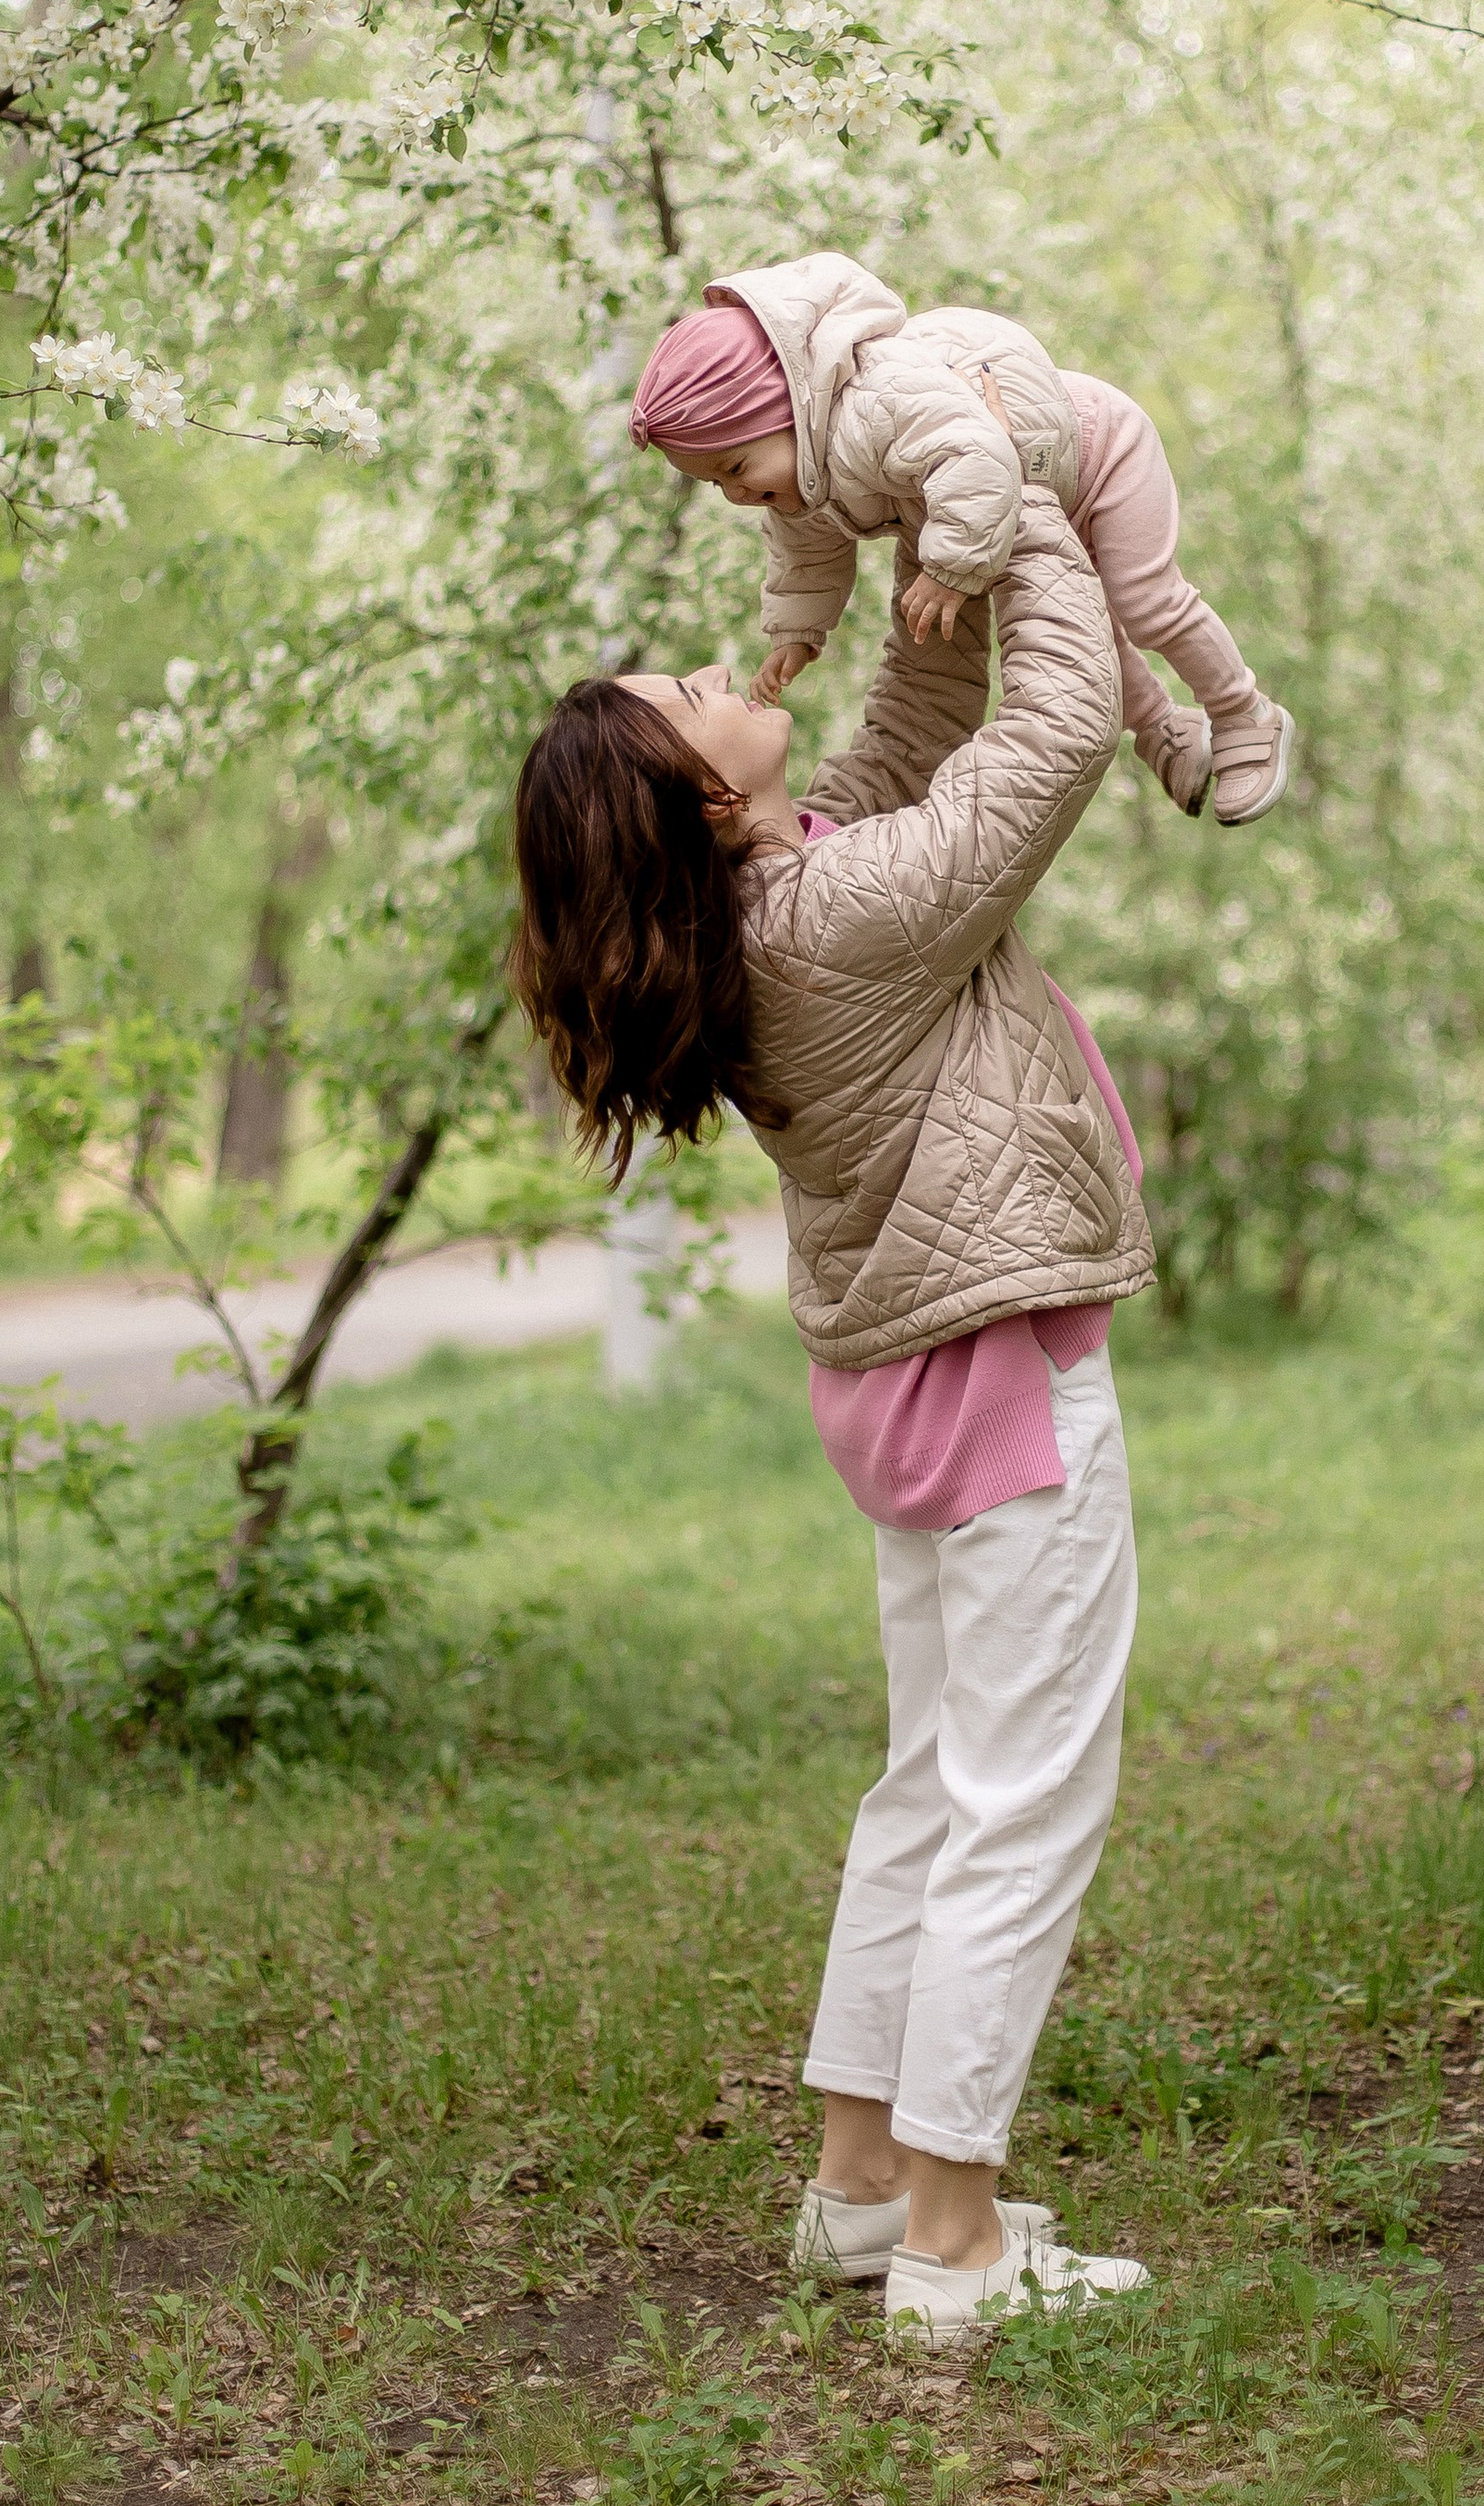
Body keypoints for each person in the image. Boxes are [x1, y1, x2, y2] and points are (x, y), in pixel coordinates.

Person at [512, 491, 1156, 2345]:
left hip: (908, 1384)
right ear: (695, 806)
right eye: (684, 696)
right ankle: (954, 2245)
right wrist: (1036, 513)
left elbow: (920, 727)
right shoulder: (836, 918)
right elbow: (1057, 731)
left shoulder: (778, 892)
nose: (710, 666)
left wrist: (910, 549)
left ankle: (864, 2187)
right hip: (996, 1382)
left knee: (930, 1785)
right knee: (1020, 1801)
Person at [625, 247, 1298, 828]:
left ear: (786, 410)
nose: (737, 494)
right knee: (1082, 625)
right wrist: (798, 631)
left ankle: (1244, 714)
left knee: (1144, 601)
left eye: (736, 468)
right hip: (1012, 508)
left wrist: (948, 568)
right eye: (715, 483)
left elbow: (978, 453)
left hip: (1097, 452)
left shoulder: (877, 402)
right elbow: (805, 551)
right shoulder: (801, 477)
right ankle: (1163, 730)